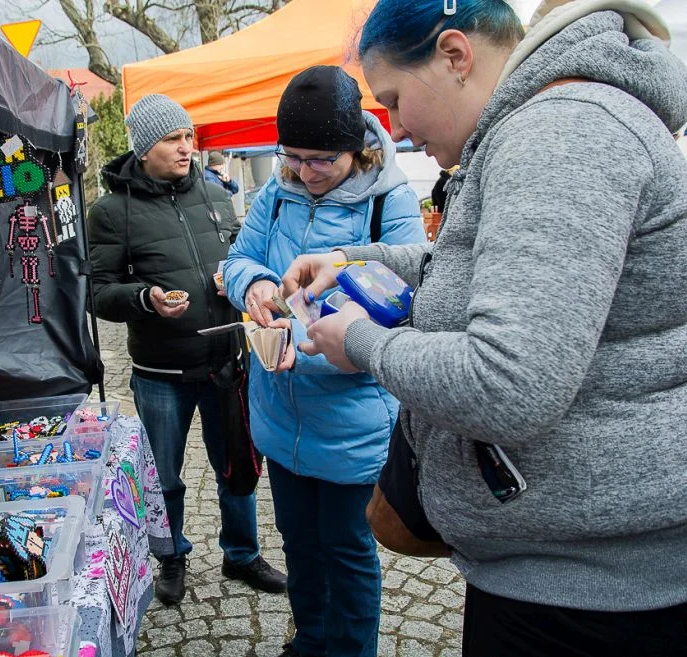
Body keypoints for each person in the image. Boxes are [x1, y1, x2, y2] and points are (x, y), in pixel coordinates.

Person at [282, 0, 687, 654]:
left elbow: (509, 383)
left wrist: (359, 340)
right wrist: (352, 261)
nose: (396, 130)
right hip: (567, 572)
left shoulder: (560, 133)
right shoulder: (539, 128)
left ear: (453, 56)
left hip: (583, 598)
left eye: (392, 98)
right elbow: (472, 263)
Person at [223, 66, 426, 657]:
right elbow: (239, 258)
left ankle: (350, 649)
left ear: (357, 150)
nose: (305, 174)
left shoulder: (390, 202)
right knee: (298, 543)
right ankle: (310, 640)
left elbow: (402, 307)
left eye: (321, 161)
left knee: (346, 548)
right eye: (292, 158)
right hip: (280, 417)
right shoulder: (275, 193)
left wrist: (308, 343)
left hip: (351, 423)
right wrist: (256, 285)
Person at [87, 93, 286, 605]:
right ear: (145, 147)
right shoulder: (110, 212)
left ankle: (241, 554)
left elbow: (244, 251)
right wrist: (146, 299)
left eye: (189, 137)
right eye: (174, 139)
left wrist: (236, 279)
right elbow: (97, 292)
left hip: (226, 362)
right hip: (160, 372)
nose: (187, 148)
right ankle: (170, 555)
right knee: (163, 475)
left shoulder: (215, 193)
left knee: (237, 466)